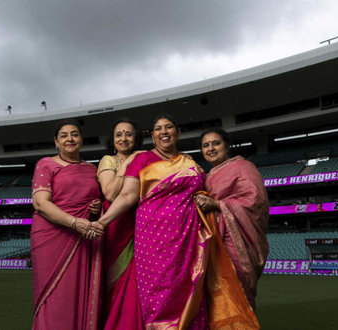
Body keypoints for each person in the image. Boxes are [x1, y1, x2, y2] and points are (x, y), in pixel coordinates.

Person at [96, 114, 259, 329]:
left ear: (178, 132)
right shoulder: (141, 159)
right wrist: (102, 222)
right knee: (158, 298)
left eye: (169, 127)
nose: (164, 131)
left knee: (190, 293)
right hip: (153, 241)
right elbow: (127, 196)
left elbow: (210, 192)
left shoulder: (190, 163)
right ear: (152, 136)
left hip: (189, 241)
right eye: (158, 128)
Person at [31, 119, 104, 330]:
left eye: (74, 134)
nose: (69, 139)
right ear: (56, 142)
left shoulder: (92, 169)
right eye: (63, 136)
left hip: (84, 237)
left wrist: (95, 209)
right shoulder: (45, 164)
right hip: (53, 237)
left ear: (81, 139)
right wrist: (74, 222)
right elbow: (40, 203)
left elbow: (94, 201)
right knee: (55, 297)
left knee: (80, 292)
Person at [194, 128, 270, 309]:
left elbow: (255, 201)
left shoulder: (242, 167)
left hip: (237, 239)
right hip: (213, 240)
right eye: (206, 145)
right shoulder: (207, 176)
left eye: (216, 143)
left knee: (238, 291)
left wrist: (217, 204)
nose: (210, 148)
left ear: (227, 146)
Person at [96, 118, 144, 329]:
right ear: (112, 140)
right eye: (119, 134)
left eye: (128, 134)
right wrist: (128, 162)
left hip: (139, 227)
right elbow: (110, 193)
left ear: (136, 138)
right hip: (115, 225)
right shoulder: (108, 160)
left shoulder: (144, 158)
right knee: (116, 283)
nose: (123, 138)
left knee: (136, 285)